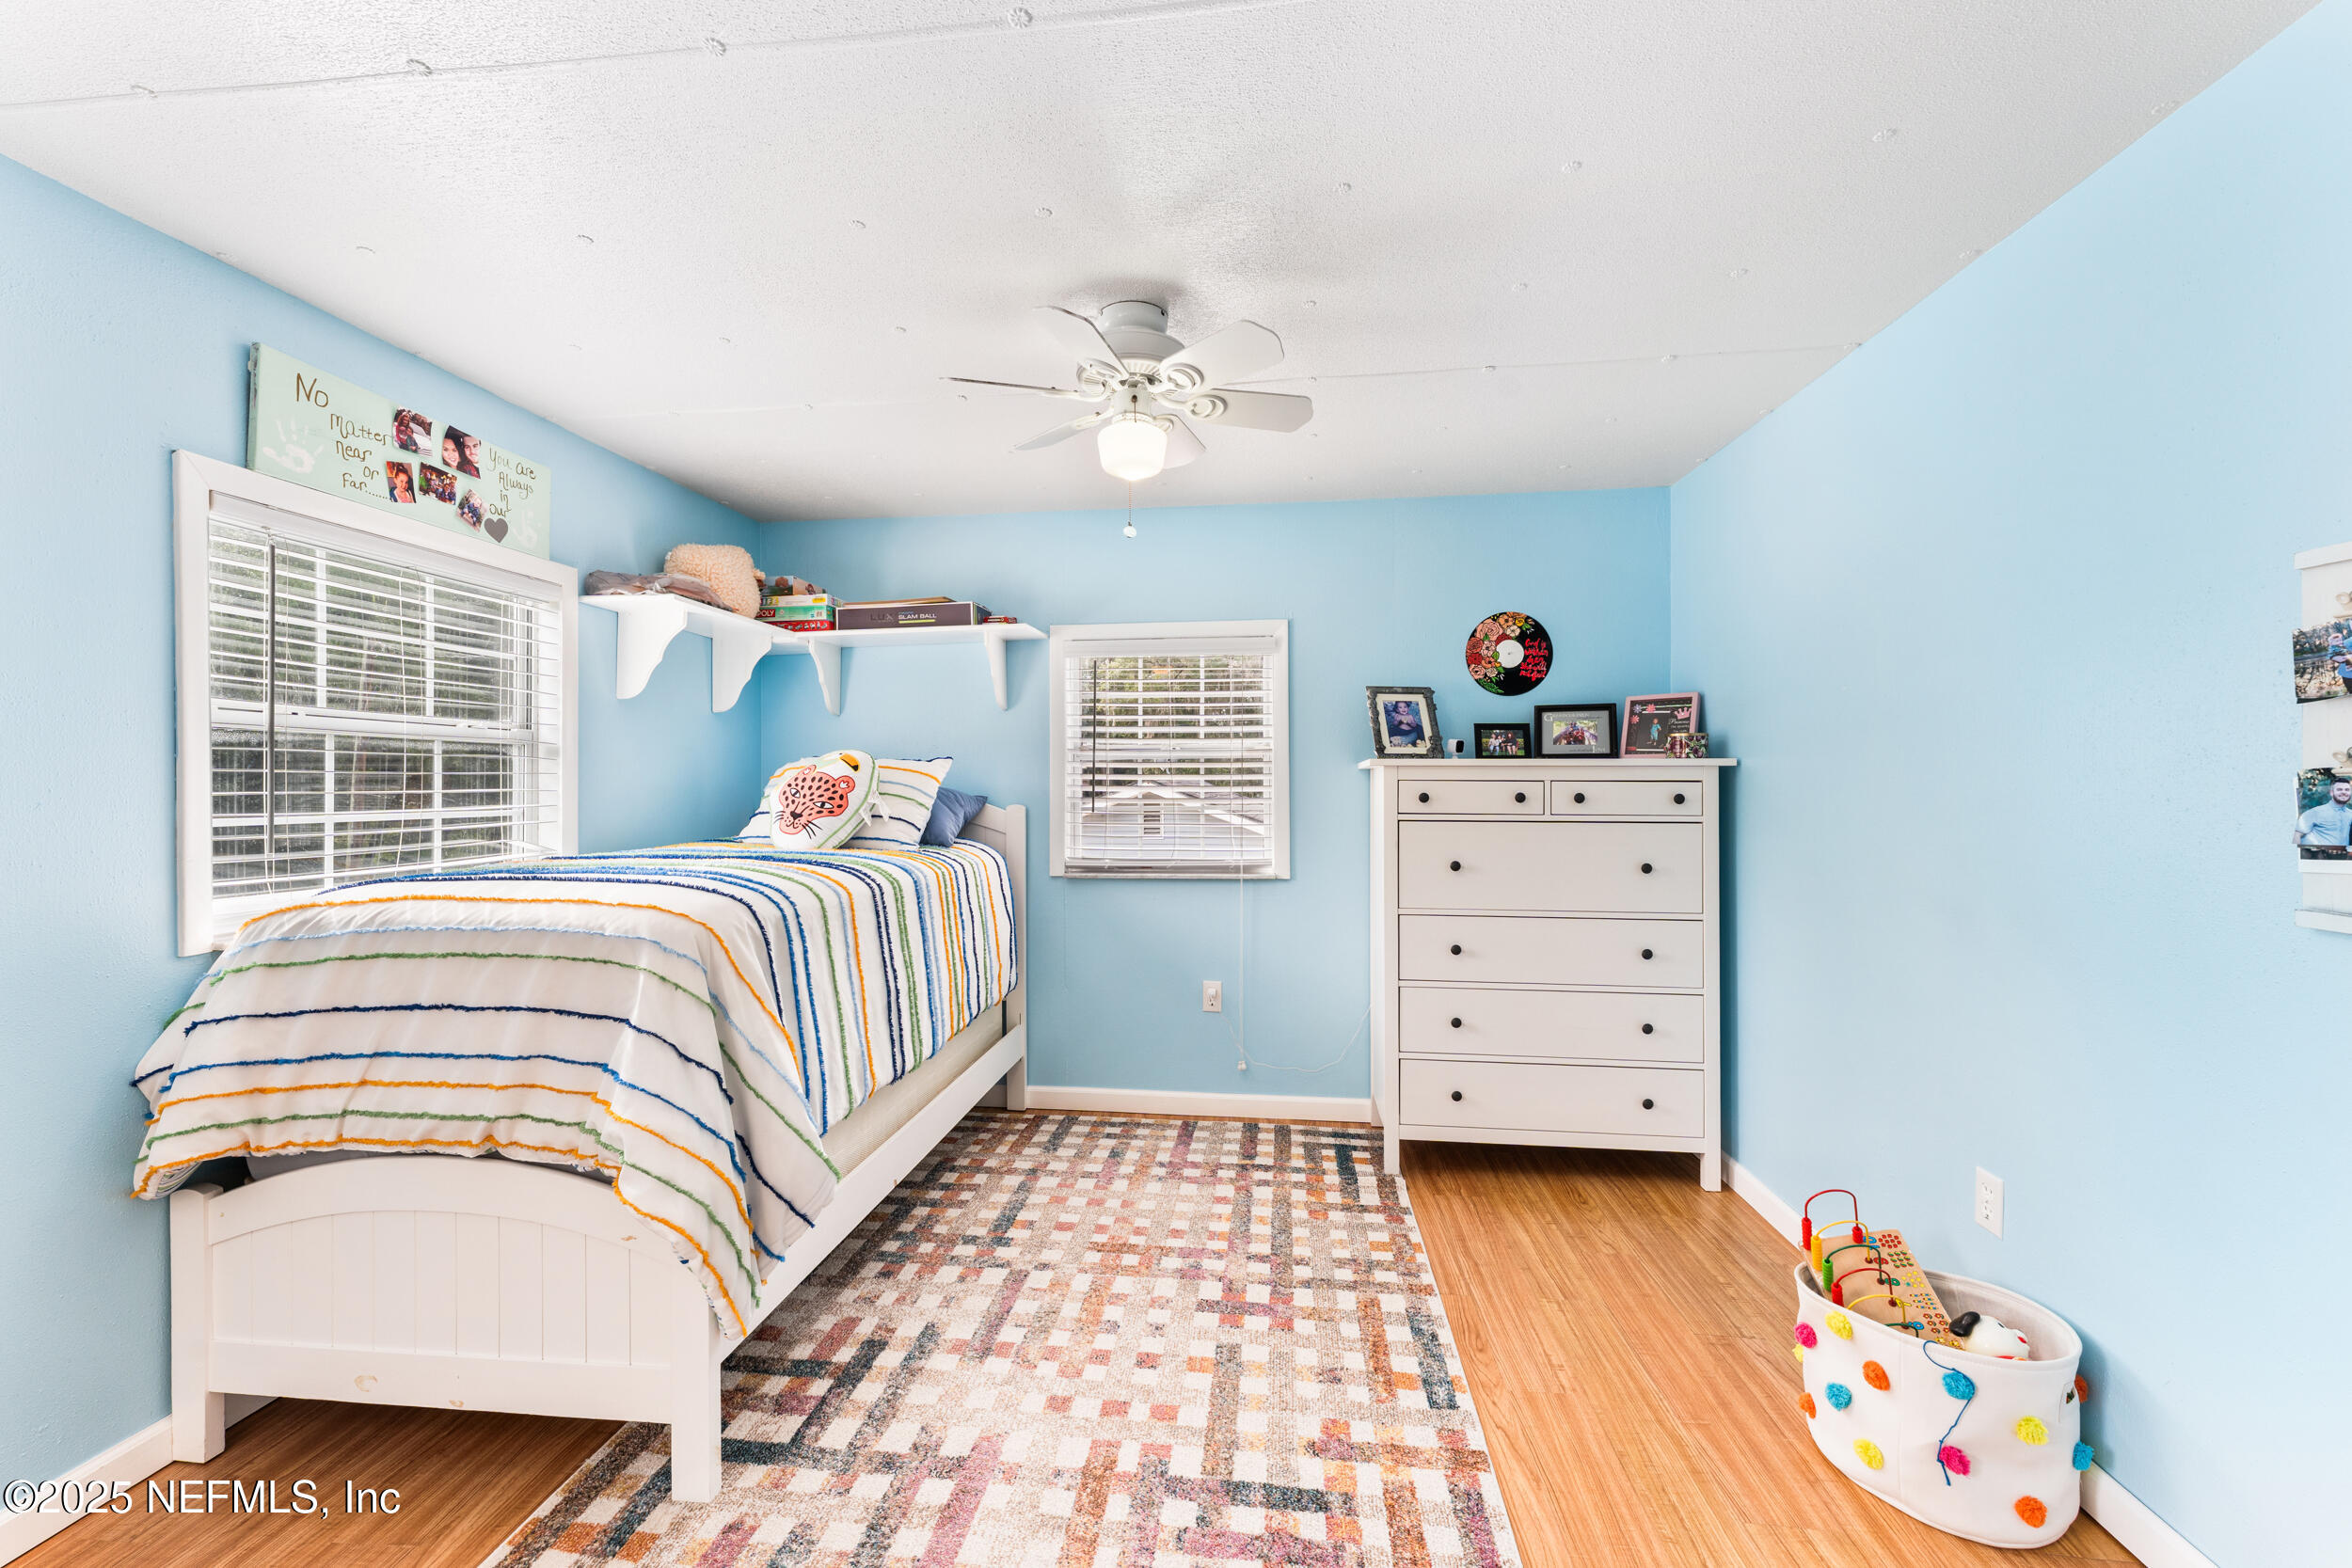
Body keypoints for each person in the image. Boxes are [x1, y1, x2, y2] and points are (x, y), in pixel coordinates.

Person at [2297, 777, 2352, 847]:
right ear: (2331, 793)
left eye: (2347, 790)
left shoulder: (2350, 814)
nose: (2344, 792)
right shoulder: (2315, 812)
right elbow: (2297, 835)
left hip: (2344, 853)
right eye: (2339, 789)